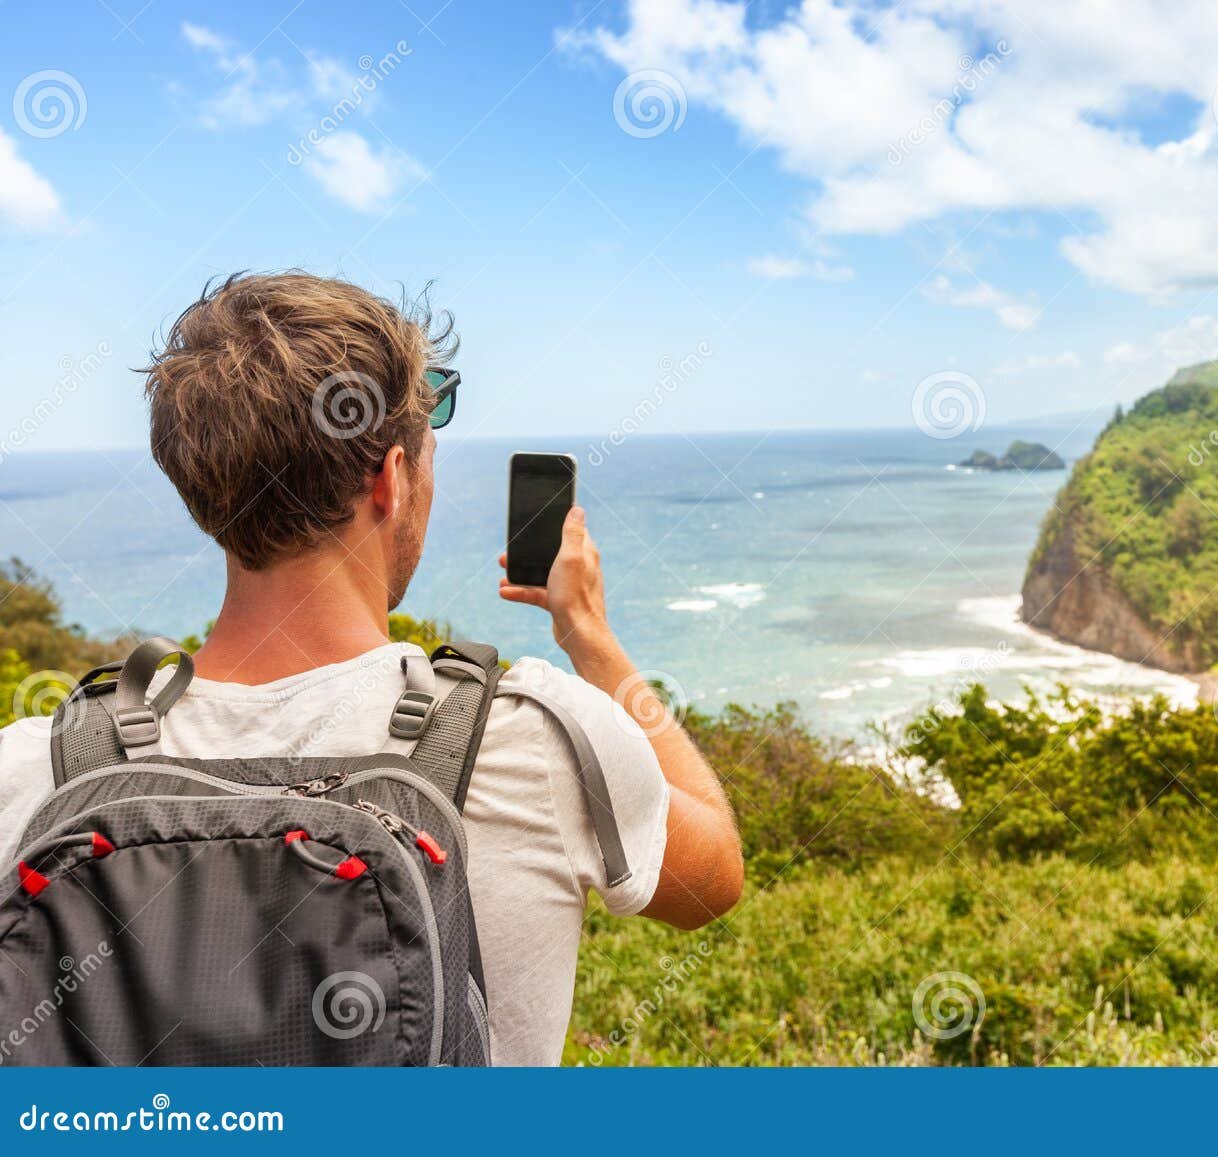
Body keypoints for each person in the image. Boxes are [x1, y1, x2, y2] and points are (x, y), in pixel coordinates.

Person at [0, 271, 744, 1065]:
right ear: (392, 478)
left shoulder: (34, 771)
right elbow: (715, 876)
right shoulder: (532, 738)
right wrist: (590, 633)